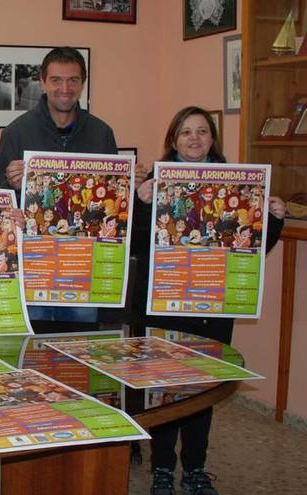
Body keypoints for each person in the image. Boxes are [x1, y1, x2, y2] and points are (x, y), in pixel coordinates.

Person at [132, 106, 286, 495]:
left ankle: (196, 468)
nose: (195, 138)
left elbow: (254, 248)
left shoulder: (237, 188)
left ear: (212, 139)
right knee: (164, 389)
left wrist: (275, 218)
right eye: (186, 132)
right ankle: (163, 468)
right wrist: (142, 204)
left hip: (212, 306)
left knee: (203, 389)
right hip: (166, 302)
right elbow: (133, 245)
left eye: (202, 131)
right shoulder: (154, 183)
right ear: (173, 139)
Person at [0, 46, 134, 333]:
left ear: (82, 83)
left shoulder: (101, 133)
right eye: (56, 80)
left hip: (81, 268)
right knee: (31, 351)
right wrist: (10, 184)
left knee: (80, 351)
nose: (64, 88)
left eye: (72, 80)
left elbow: (114, 200)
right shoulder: (17, 131)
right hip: (33, 266)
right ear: (42, 81)